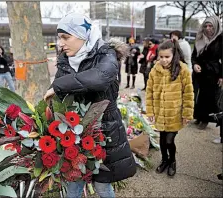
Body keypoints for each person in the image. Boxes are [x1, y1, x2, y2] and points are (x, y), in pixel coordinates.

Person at [43, 13, 136, 198]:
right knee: (73, 187)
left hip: (104, 130)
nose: (60, 43)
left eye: (65, 37)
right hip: (74, 134)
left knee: (102, 186)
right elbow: (61, 95)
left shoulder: (106, 53)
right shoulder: (65, 60)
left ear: (82, 35)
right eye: (59, 38)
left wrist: (57, 86)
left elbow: (99, 79)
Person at [146, 39, 194, 177]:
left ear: (174, 55)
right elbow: (149, 92)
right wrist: (150, 111)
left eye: (167, 57)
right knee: (162, 139)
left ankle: (172, 161)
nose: (164, 60)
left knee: (169, 140)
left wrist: (187, 113)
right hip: (160, 112)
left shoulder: (182, 69)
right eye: (161, 57)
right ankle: (164, 160)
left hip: (175, 113)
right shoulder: (155, 70)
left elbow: (188, 93)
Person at [191, 16, 222, 131]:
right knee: (197, 94)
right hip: (199, 71)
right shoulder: (200, 38)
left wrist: (221, 76)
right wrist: (194, 64)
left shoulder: (220, 39)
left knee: (208, 96)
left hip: (213, 72)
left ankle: (205, 119)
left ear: (216, 26)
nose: (208, 28)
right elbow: (194, 55)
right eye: (206, 26)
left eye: (211, 26)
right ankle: (198, 116)